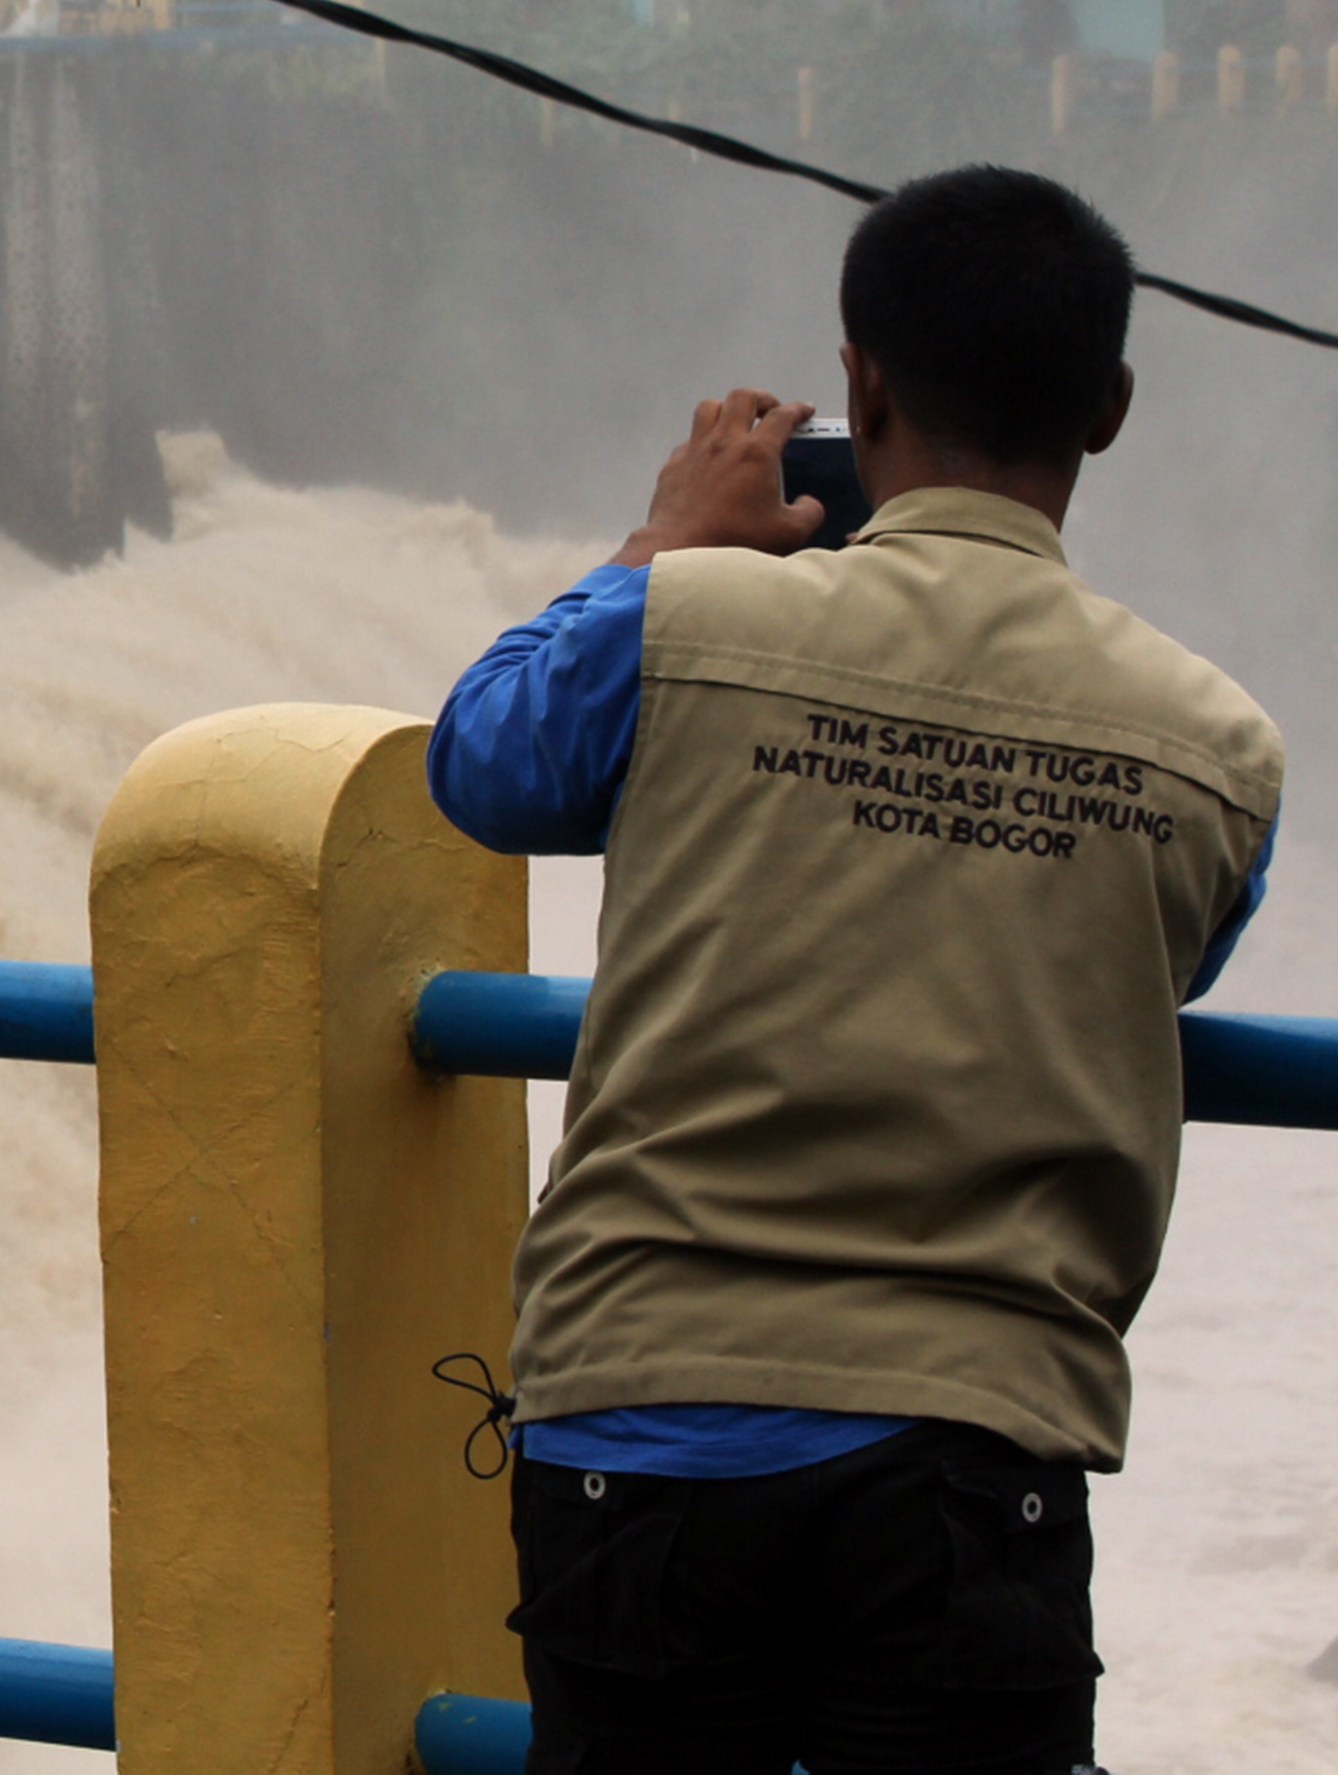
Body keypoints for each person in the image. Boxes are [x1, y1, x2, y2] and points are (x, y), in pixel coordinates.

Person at [426, 164, 1282, 1775]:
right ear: (1107, 408)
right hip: (978, 1443)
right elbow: (1166, 946)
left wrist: (664, 538)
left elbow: (483, 762)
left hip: (644, 1416)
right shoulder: (1217, 743)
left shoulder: (681, 622)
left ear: (860, 382)